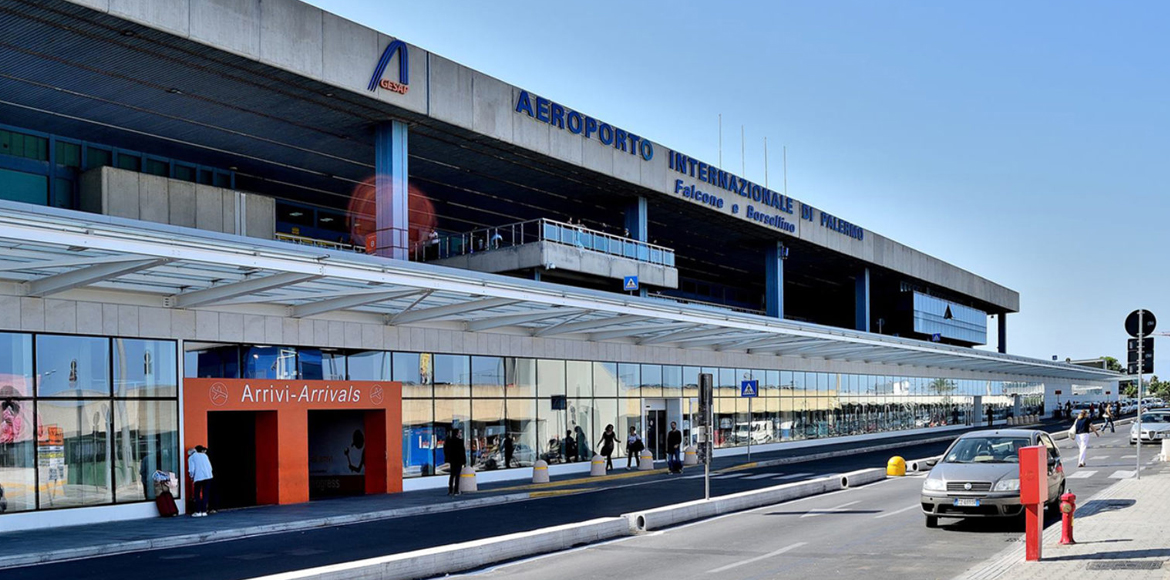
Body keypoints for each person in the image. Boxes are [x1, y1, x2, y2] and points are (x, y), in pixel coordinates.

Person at [187, 445, 213, 517]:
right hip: (208, 477)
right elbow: (210, 467)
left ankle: (198, 511)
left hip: (198, 477)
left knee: (197, 494)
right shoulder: (205, 456)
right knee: (205, 494)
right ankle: (204, 511)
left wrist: (191, 477)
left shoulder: (191, 458)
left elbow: (191, 470)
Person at [444, 429, 466, 495]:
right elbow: (462, 452)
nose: (460, 434)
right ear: (457, 433)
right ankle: (456, 490)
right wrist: (464, 461)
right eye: (459, 432)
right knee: (457, 476)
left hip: (452, 460)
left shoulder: (449, 441)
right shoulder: (460, 441)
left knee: (452, 475)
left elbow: (446, 450)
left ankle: (450, 490)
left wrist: (448, 458)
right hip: (458, 460)